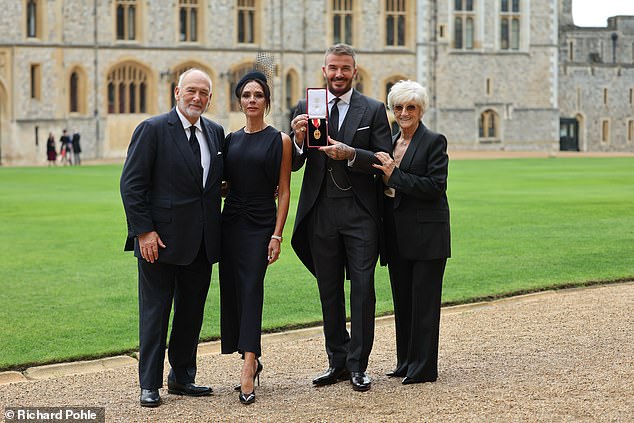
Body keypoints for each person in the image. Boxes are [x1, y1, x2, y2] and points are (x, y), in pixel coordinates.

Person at [290, 44, 392, 392]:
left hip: (360, 213)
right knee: (329, 290)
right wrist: (298, 140)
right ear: (324, 71)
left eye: (344, 69)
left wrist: (351, 154)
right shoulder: (308, 106)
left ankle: (358, 365)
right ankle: (337, 361)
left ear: (355, 72)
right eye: (332, 68)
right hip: (321, 211)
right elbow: (294, 163)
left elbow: (383, 159)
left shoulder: (374, 109)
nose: (338, 74)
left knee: (363, 290)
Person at [120, 68, 224, 408]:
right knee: (156, 313)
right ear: (176, 92)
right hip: (159, 242)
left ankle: (182, 377)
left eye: (204, 93)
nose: (197, 98)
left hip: (201, 242)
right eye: (191, 90)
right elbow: (132, 184)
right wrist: (144, 231)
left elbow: (211, 185)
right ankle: (148, 383)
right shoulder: (152, 130)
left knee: (190, 314)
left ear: (211, 98)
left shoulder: (215, 131)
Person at [219, 71, 292, 405]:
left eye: (258, 95)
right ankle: (248, 356)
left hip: (261, 223)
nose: (252, 100)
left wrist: (277, 234)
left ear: (267, 101)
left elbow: (285, 191)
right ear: (239, 100)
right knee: (234, 292)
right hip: (230, 222)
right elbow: (224, 184)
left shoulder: (280, 141)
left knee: (252, 290)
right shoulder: (230, 140)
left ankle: (248, 367)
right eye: (246, 95)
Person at [373, 80, 451, 385]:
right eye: (399, 107)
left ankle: (423, 368)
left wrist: (395, 175)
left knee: (424, 305)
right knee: (403, 301)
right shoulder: (391, 141)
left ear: (420, 110)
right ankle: (405, 361)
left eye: (411, 107)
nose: (404, 113)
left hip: (427, 235)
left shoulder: (434, 141)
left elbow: (435, 187)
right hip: (396, 233)